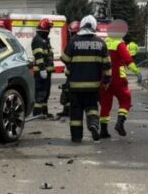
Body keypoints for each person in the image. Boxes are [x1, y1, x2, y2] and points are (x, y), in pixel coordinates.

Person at [61, 15, 111, 143]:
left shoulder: (73, 41)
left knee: (76, 112)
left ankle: (76, 137)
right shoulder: (101, 43)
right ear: (94, 26)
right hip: (93, 86)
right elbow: (107, 65)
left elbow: (65, 59)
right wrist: (106, 81)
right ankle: (93, 125)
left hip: (75, 86)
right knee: (92, 107)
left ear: (82, 25)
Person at [98, 29, 138, 138]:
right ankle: (120, 122)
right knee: (125, 99)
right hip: (118, 78)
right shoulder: (119, 43)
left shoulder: (102, 43)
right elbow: (128, 60)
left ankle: (103, 130)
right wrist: (137, 72)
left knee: (105, 104)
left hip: (104, 78)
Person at [30, 18, 55, 118]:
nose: (49, 31)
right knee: (40, 92)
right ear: (45, 29)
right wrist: (42, 69)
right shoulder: (38, 40)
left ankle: (44, 112)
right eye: (49, 29)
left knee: (46, 92)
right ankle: (37, 113)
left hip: (46, 72)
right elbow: (38, 56)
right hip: (41, 72)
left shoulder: (44, 40)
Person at [56, 20, 80, 120]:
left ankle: (69, 111)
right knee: (68, 92)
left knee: (69, 92)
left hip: (72, 73)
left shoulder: (72, 42)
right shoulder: (84, 42)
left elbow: (64, 58)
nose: (72, 35)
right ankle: (67, 111)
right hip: (79, 73)